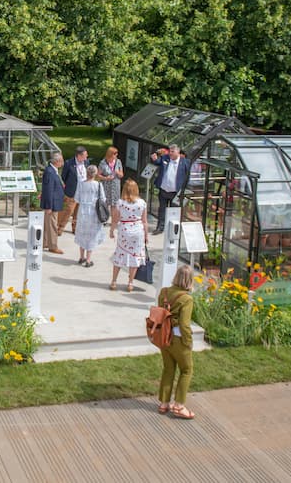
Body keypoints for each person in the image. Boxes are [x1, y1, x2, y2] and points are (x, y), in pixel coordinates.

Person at [157, 264, 196, 420]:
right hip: (179, 338)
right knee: (186, 370)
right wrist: (189, 341)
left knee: (168, 369)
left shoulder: (164, 292)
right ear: (190, 280)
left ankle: (164, 403)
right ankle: (179, 405)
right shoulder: (186, 299)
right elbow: (184, 324)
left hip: (163, 336)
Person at [108, 178, 148, 291]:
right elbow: (144, 221)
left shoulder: (120, 203)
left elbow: (115, 220)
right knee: (135, 257)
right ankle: (130, 283)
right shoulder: (142, 203)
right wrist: (146, 235)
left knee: (120, 254)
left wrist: (111, 231)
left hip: (124, 230)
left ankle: (114, 281)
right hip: (138, 230)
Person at [150, 144, 191, 235]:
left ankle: (173, 230)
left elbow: (188, 177)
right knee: (162, 210)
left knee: (174, 212)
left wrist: (184, 190)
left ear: (178, 152)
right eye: (170, 151)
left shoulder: (185, 162)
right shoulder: (165, 158)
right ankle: (160, 228)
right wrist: (155, 158)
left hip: (176, 192)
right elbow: (157, 162)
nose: (170, 153)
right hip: (164, 190)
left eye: (173, 152)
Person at [73, 165, 106, 267]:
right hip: (93, 211)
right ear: (95, 173)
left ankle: (81, 257)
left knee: (82, 233)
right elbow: (103, 199)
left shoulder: (81, 184)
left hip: (83, 210)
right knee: (91, 235)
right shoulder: (98, 185)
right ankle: (88, 259)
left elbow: (76, 199)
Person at [57, 146, 89, 235]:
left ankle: (75, 228)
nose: (87, 157)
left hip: (83, 192)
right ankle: (59, 227)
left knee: (78, 212)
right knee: (68, 211)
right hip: (72, 191)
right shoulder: (68, 163)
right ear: (79, 155)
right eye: (85, 155)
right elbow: (63, 177)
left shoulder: (86, 162)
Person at [40, 152, 65, 254]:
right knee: (52, 225)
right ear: (57, 161)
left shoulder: (53, 171)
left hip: (54, 202)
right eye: (61, 161)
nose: (63, 163)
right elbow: (48, 190)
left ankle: (45, 242)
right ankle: (53, 246)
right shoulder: (50, 172)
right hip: (52, 204)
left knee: (48, 224)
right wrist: (48, 206)